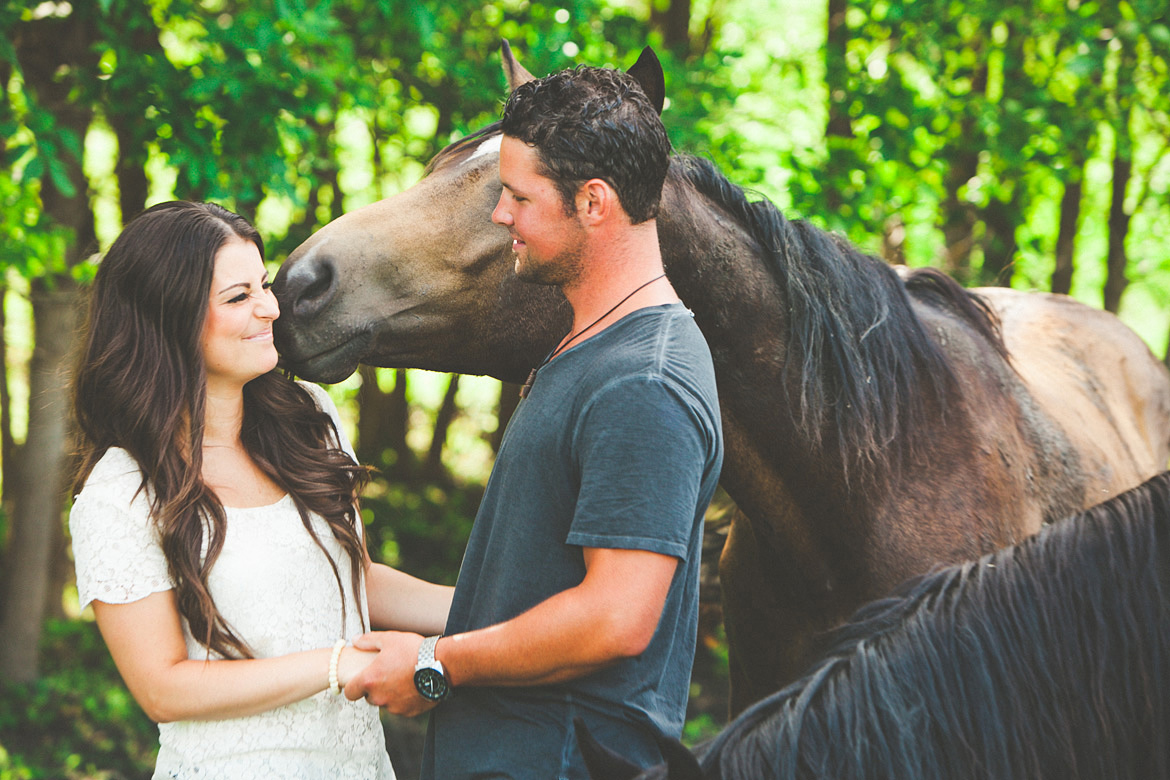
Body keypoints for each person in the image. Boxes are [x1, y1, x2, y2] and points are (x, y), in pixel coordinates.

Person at [345, 64, 724, 778]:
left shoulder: (645, 381)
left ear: (593, 203)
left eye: (518, 196)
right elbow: (532, 594)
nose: (500, 215)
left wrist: (434, 665)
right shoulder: (590, 347)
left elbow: (614, 618)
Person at [68, 201, 452, 778]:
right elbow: (163, 687)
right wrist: (337, 665)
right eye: (238, 296)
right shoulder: (120, 492)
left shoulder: (309, 420)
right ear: (169, 320)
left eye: (264, 285)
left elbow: (350, 577)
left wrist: (487, 608)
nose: (271, 308)